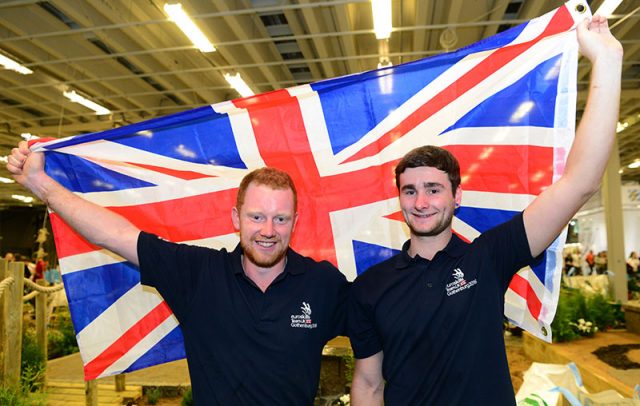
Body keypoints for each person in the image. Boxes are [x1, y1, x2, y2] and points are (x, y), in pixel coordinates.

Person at [348, 15, 622, 406]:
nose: (421, 202)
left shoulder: (488, 257)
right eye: (410, 190)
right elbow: (369, 383)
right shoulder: (370, 287)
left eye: (433, 189)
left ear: (457, 196)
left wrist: (607, 62)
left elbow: (581, 183)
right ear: (400, 199)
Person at [7, 144, 348, 405]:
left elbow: (383, 324)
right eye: (257, 217)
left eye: (281, 219)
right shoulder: (198, 274)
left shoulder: (322, 283)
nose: (268, 230)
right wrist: (40, 184)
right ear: (236, 218)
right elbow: (114, 234)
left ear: (295, 222)